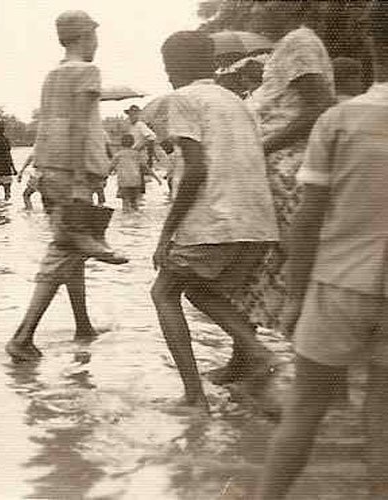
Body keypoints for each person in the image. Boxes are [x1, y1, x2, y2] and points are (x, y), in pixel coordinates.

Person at [258, 5, 388, 497]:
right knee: (383, 416)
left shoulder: (338, 120)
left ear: (372, 47)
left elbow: (308, 220)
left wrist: (292, 299)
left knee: (304, 411)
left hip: (338, 285)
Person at [145, 31, 280, 410]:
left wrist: (166, 232)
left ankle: (197, 396)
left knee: (164, 293)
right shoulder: (235, 101)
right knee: (206, 291)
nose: (168, 72)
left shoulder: (182, 99)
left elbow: (195, 171)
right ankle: (250, 366)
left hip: (216, 220)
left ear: (173, 67)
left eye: (167, 65)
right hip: (258, 222)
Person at [6, 10, 127, 363]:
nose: (97, 43)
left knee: (72, 248)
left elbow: (53, 124)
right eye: (94, 35)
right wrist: (77, 179)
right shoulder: (88, 72)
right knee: (65, 248)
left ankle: (83, 325)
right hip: (71, 172)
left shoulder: (52, 75)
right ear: (84, 36)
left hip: (49, 167)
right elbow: (76, 126)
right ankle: (23, 336)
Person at [229, 1, 335, 360]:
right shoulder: (292, 43)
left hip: (288, 171)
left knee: (284, 266)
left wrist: (262, 147)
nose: (258, 9)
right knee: (261, 269)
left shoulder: (298, 43)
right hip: (281, 170)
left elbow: (320, 104)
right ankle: (245, 360)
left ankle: (311, 366)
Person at [110, 134, 149, 213]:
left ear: (121, 143)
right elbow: (145, 167)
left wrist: (104, 176)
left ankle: (126, 221)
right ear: (133, 142)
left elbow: (110, 167)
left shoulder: (118, 155)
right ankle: (135, 220)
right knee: (135, 203)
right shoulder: (136, 154)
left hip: (124, 182)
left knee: (125, 203)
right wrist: (157, 178)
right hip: (136, 181)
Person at [124, 103, 157, 193]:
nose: (132, 116)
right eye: (131, 114)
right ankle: (138, 199)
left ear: (138, 115)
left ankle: (140, 198)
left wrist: (140, 146)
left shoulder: (140, 125)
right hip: (132, 154)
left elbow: (152, 137)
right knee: (134, 177)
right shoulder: (131, 126)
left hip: (139, 154)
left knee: (138, 177)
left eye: (134, 114)